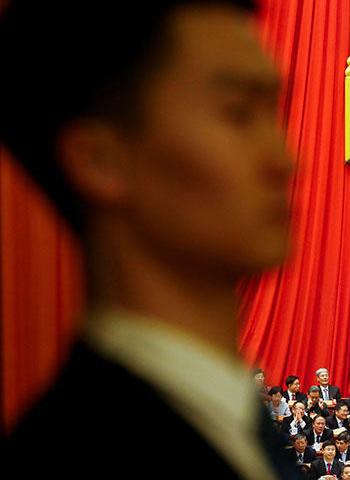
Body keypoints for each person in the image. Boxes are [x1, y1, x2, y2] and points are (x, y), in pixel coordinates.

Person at [0, 1, 298, 479]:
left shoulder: (234, 424)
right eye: (238, 114)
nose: (284, 161)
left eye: (274, 113)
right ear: (101, 161)